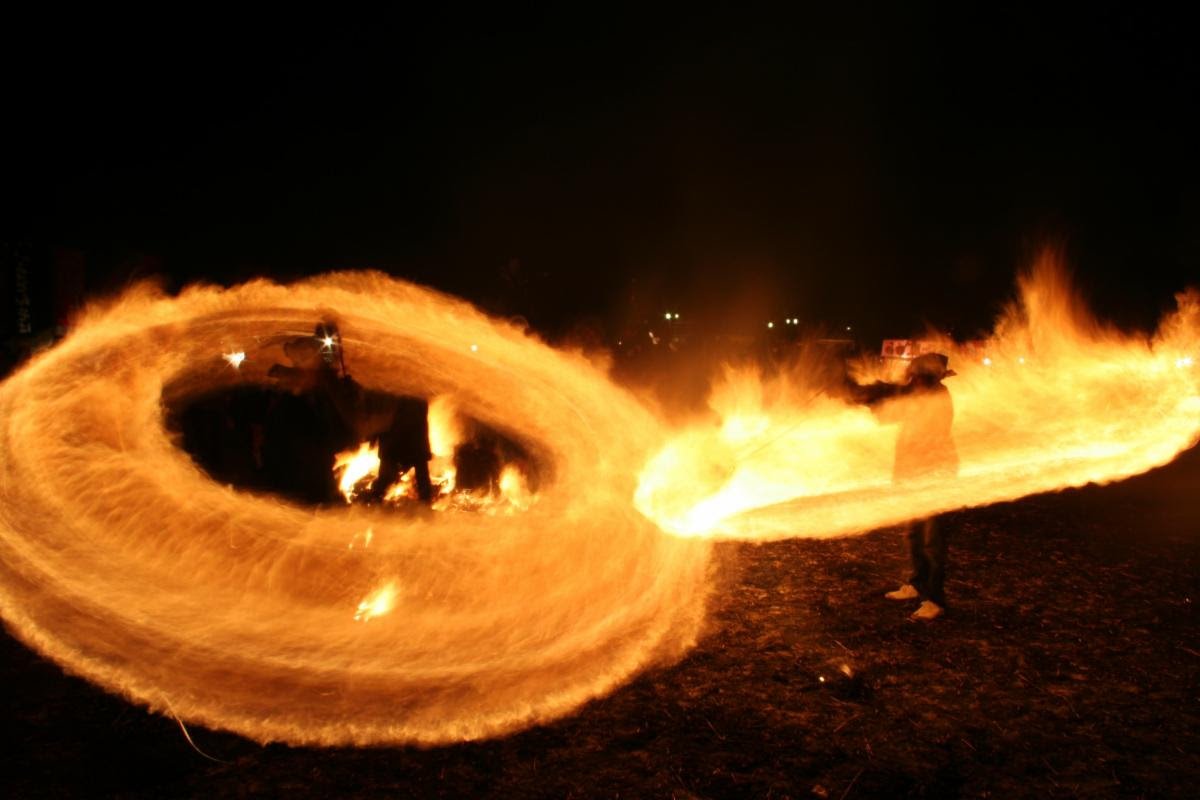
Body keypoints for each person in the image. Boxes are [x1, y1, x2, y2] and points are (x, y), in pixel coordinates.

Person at [847, 352, 958, 620]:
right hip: (912, 472)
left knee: (932, 540)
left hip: (934, 474)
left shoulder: (937, 398)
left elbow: (899, 412)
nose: (912, 379)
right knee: (914, 535)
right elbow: (890, 413)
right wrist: (862, 397)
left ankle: (935, 599)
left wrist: (876, 399)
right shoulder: (919, 394)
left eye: (917, 376)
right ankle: (917, 585)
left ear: (928, 378)